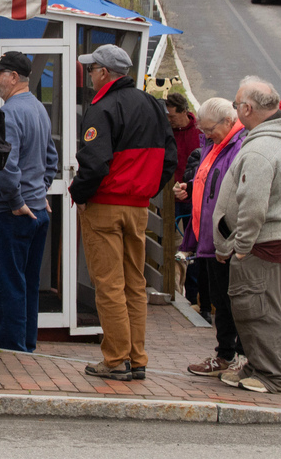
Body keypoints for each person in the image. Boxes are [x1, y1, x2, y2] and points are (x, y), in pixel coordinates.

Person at [69, 44, 176, 382]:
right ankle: (136, 356)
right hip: (139, 206)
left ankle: (116, 359)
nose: (89, 74)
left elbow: (95, 161)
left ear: (104, 73)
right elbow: (169, 160)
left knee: (109, 285)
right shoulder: (152, 105)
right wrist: (145, 187)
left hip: (106, 204)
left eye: (92, 69)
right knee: (134, 284)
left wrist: (79, 194)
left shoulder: (102, 107)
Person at [214, 76, 281, 394]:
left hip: (260, 241)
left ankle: (270, 373)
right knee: (270, 307)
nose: (236, 111)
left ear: (246, 108)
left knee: (257, 308)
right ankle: (259, 365)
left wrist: (242, 244)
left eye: (236, 105)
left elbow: (254, 205)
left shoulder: (261, 147)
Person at [0, 51, 58, 352]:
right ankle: (26, 348)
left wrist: (15, 199)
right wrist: (39, 192)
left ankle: (12, 352)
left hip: (5, 212)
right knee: (26, 286)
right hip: (35, 210)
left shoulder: (9, 113)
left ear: (12, 77)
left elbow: (5, 164)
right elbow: (52, 158)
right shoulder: (38, 108)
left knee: (4, 286)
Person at [179, 97, 246, 378]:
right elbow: (212, 181)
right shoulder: (216, 144)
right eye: (203, 130)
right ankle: (225, 354)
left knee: (232, 300)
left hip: (226, 237)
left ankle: (235, 355)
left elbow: (234, 189)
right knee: (221, 297)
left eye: (209, 129)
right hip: (209, 235)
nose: (205, 135)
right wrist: (190, 186)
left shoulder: (239, 146)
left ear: (228, 122)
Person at [167, 92, 205, 307]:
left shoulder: (199, 132)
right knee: (170, 244)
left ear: (184, 112)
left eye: (172, 116)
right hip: (171, 194)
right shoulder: (167, 132)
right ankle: (173, 289)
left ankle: (193, 295)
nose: (169, 120)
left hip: (193, 195)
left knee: (193, 245)